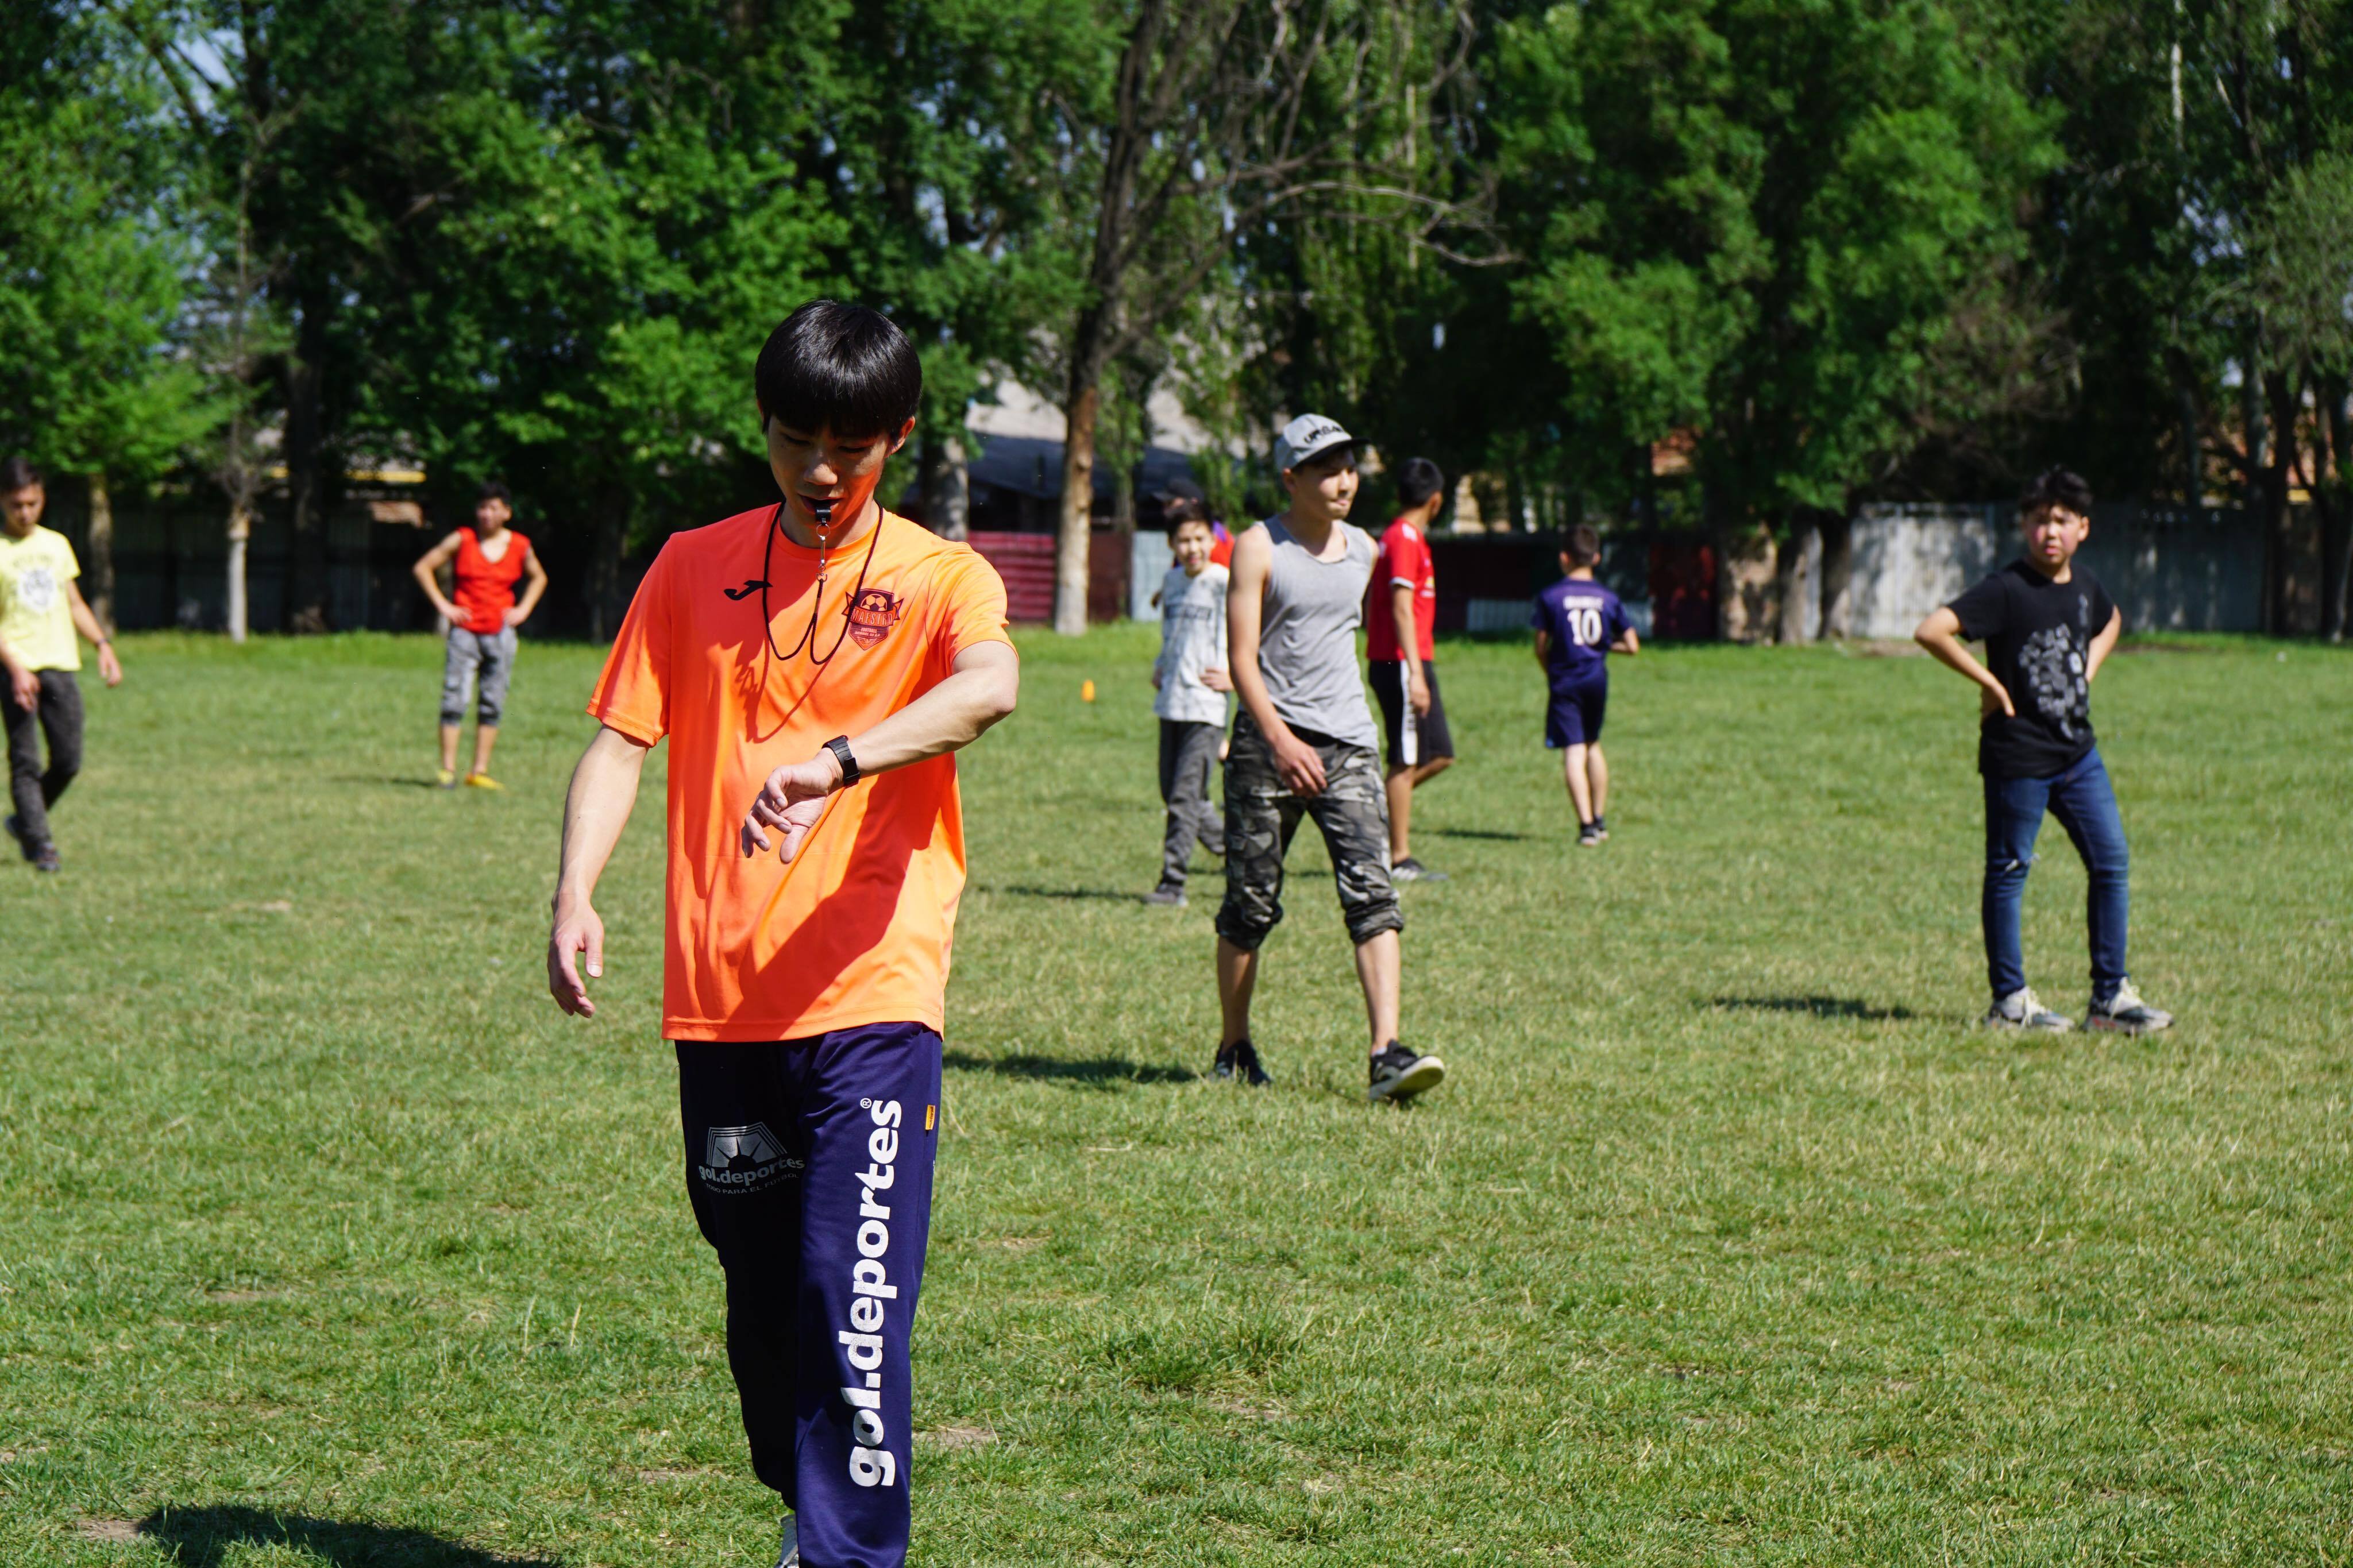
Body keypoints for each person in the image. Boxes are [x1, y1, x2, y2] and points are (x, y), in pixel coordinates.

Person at [545, 301, 1015, 1568]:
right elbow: (620, 741)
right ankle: (806, 1491)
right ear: (761, 427)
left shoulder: (942, 577)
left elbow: (989, 687)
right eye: (796, 441)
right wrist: (574, 890)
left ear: (898, 439)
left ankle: (844, 1552)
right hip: (722, 1004)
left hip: (874, 994)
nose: (820, 471)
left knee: (848, 1296)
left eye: (850, 449)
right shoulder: (689, 565)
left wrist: (843, 759)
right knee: (762, 1304)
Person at [1216, 413, 1444, 1102]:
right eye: (1327, 471)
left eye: (1348, 469)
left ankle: (1385, 1053)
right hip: (1268, 747)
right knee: (1250, 907)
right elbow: (1240, 658)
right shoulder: (1258, 546)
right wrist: (1280, 740)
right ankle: (1234, 1045)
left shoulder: (1365, 550)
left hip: (1348, 744)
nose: (1343, 482)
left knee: (1374, 896)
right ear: (1292, 479)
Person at [1914, 467, 2171, 1035]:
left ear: (2083, 527)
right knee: (2009, 870)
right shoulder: (2005, 589)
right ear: (2023, 526)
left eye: (2061, 520)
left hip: (2077, 754)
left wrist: (2088, 668)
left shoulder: (2084, 586)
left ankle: (2109, 1000)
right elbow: (1932, 630)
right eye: (2038, 520)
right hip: (2018, 758)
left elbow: (2111, 621)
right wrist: (1989, 682)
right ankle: (2009, 1004)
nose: (2049, 531)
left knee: (2110, 862)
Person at [0, 458, 122, 874]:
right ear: (3, 501)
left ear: (42, 499)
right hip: (16, 667)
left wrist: (102, 645)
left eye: (32, 503)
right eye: (16, 505)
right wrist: (16, 669)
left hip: (59, 664)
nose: (25, 512)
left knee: (69, 759)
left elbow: (74, 603)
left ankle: (23, 821)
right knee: (26, 760)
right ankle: (41, 845)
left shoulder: (56, 545)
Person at [412, 480, 548, 789]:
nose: (486, 514)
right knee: (454, 699)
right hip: (465, 633)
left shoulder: (520, 546)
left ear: (507, 513)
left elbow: (539, 577)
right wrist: (444, 606)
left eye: (493, 508)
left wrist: (524, 609)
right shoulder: (462, 539)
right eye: (482, 508)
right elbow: (423, 568)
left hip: (500, 634)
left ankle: (479, 772)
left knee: (492, 702)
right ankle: (448, 770)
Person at [1366, 457, 1455, 882]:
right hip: (1400, 661)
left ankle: (1373, 807)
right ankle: (1398, 858)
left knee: (1440, 755)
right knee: (1404, 760)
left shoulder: (1405, 538)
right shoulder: (1402, 539)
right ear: (1436, 501)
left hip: (1409, 660)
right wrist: (1415, 674)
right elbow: (1401, 608)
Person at [1144, 501, 1230, 906]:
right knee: (1176, 793)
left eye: (1199, 539)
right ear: (1171, 545)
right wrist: (1162, 665)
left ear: (1213, 540)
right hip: (1172, 702)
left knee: (1184, 798)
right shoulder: (1172, 581)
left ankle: (1172, 884)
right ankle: (1236, 850)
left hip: (1206, 707)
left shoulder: (1224, 582)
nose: (1192, 548)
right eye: (1184, 540)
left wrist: (1235, 675)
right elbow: (1173, 634)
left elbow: (1252, 630)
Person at [1532, 524, 1637, 847]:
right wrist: (1604, 646)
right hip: (1596, 680)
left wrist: (1550, 671)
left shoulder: (1550, 597)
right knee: (1593, 744)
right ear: (1597, 558)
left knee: (1574, 750)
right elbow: (1632, 645)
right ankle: (1600, 818)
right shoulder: (1608, 598)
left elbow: (1540, 646)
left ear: (1564, 558)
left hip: (1566, 681)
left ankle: (1586, 825)